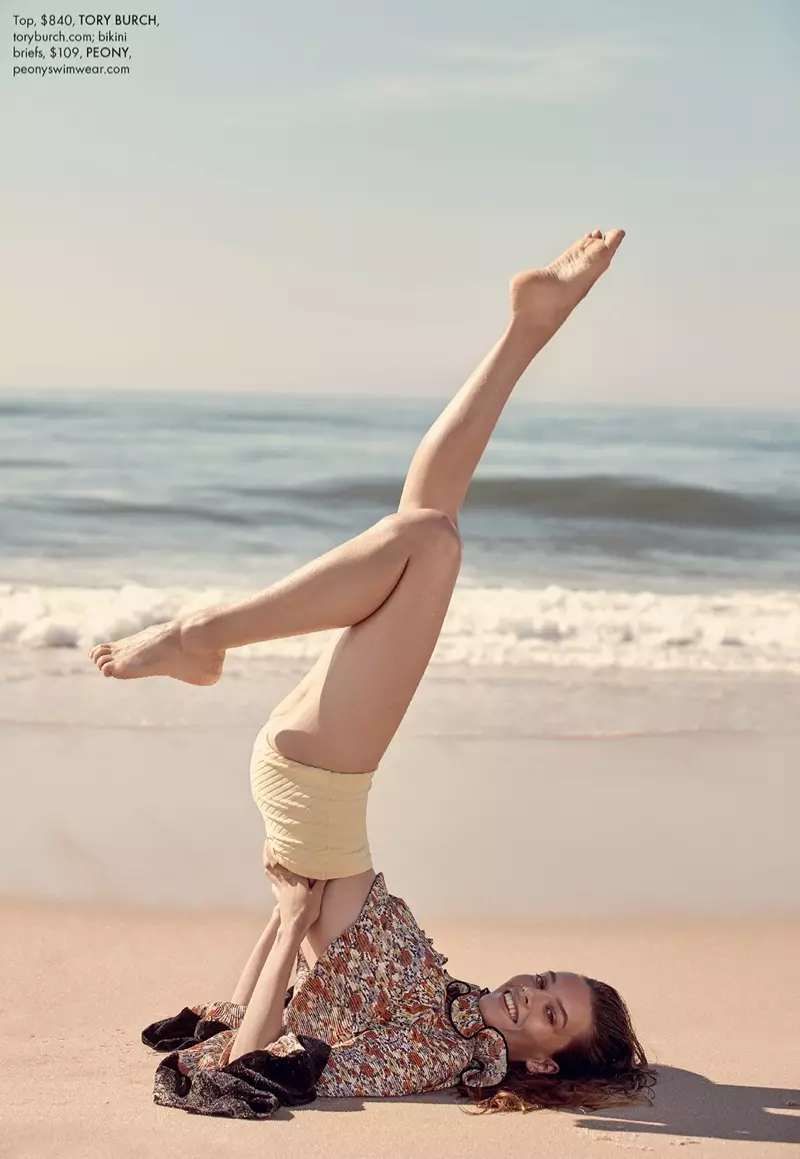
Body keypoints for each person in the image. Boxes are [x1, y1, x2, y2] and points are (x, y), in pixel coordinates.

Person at [91, 230, 654, 1119]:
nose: (527, 994)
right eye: (545, 980)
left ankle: (201, 634)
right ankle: (528, 331)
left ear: (542, 1064)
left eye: (549, 1013)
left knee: (428, 538)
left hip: (318, 803)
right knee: (427, 527)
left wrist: (285, 918)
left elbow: (255, 1057)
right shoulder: (454, 1003)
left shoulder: (440, 1052)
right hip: (320, 798)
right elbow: (275, 1005)